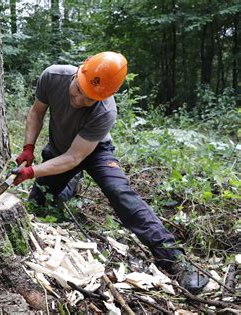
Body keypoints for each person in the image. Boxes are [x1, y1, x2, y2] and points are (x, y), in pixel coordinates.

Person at [11, 51, 208, 294]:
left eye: (89, 99)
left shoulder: (105, 111)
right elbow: (36, 112)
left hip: (94, 152)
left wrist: (31, 172)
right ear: (79, 72)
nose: (80, 100)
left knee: (119, 191)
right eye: (80, 90)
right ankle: (72, 182)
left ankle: (175, 260)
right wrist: (28, 148)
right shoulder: (53, 76)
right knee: (39, 203)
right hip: (60, 149)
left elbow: (75, 157)